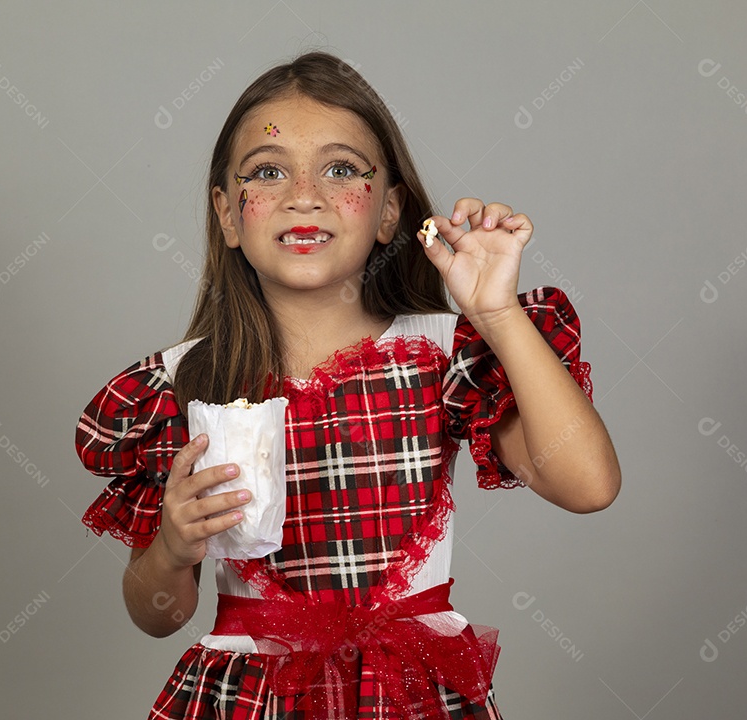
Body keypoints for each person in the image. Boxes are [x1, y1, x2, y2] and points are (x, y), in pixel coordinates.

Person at [75, 51, 620, 719]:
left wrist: (498, 314)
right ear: (227, 213)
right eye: (268, 172)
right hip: (249, 697)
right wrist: (172, 545)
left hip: (411, 694)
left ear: (389, 212)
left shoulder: (443, 357)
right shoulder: (183, 383)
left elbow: (588, 486)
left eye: (340, 170)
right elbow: (157, 614)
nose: (304, 195)